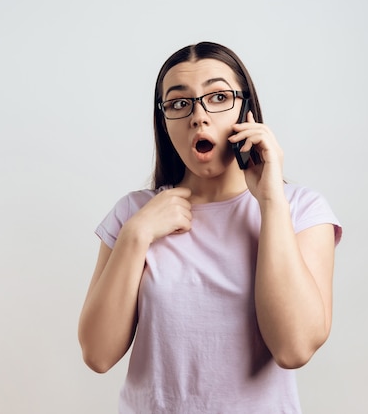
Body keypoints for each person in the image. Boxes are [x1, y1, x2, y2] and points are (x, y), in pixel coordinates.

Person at [78, 41, 342, 413]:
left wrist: (270, 203)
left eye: (218, 97)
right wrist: (136, 236)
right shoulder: (135, 214)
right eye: (179, 102)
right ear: (164, 119)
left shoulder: (300, 209)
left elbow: (294, 348)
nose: (198, 117)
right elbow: (97, 354)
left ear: (247, 109)